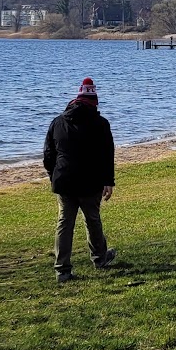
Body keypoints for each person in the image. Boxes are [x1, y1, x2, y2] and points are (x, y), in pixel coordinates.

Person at [43, 77, 116, 282]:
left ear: (75, 100)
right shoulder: (101, 124)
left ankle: (62, 269)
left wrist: (53, 175)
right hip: (90, 181)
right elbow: (107, 154)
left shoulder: (58, 122)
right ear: (94, 101)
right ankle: (99, 258)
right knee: (92, 219)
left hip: (64, 180)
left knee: (65, 223)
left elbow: (49, 155)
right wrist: (108, 181)